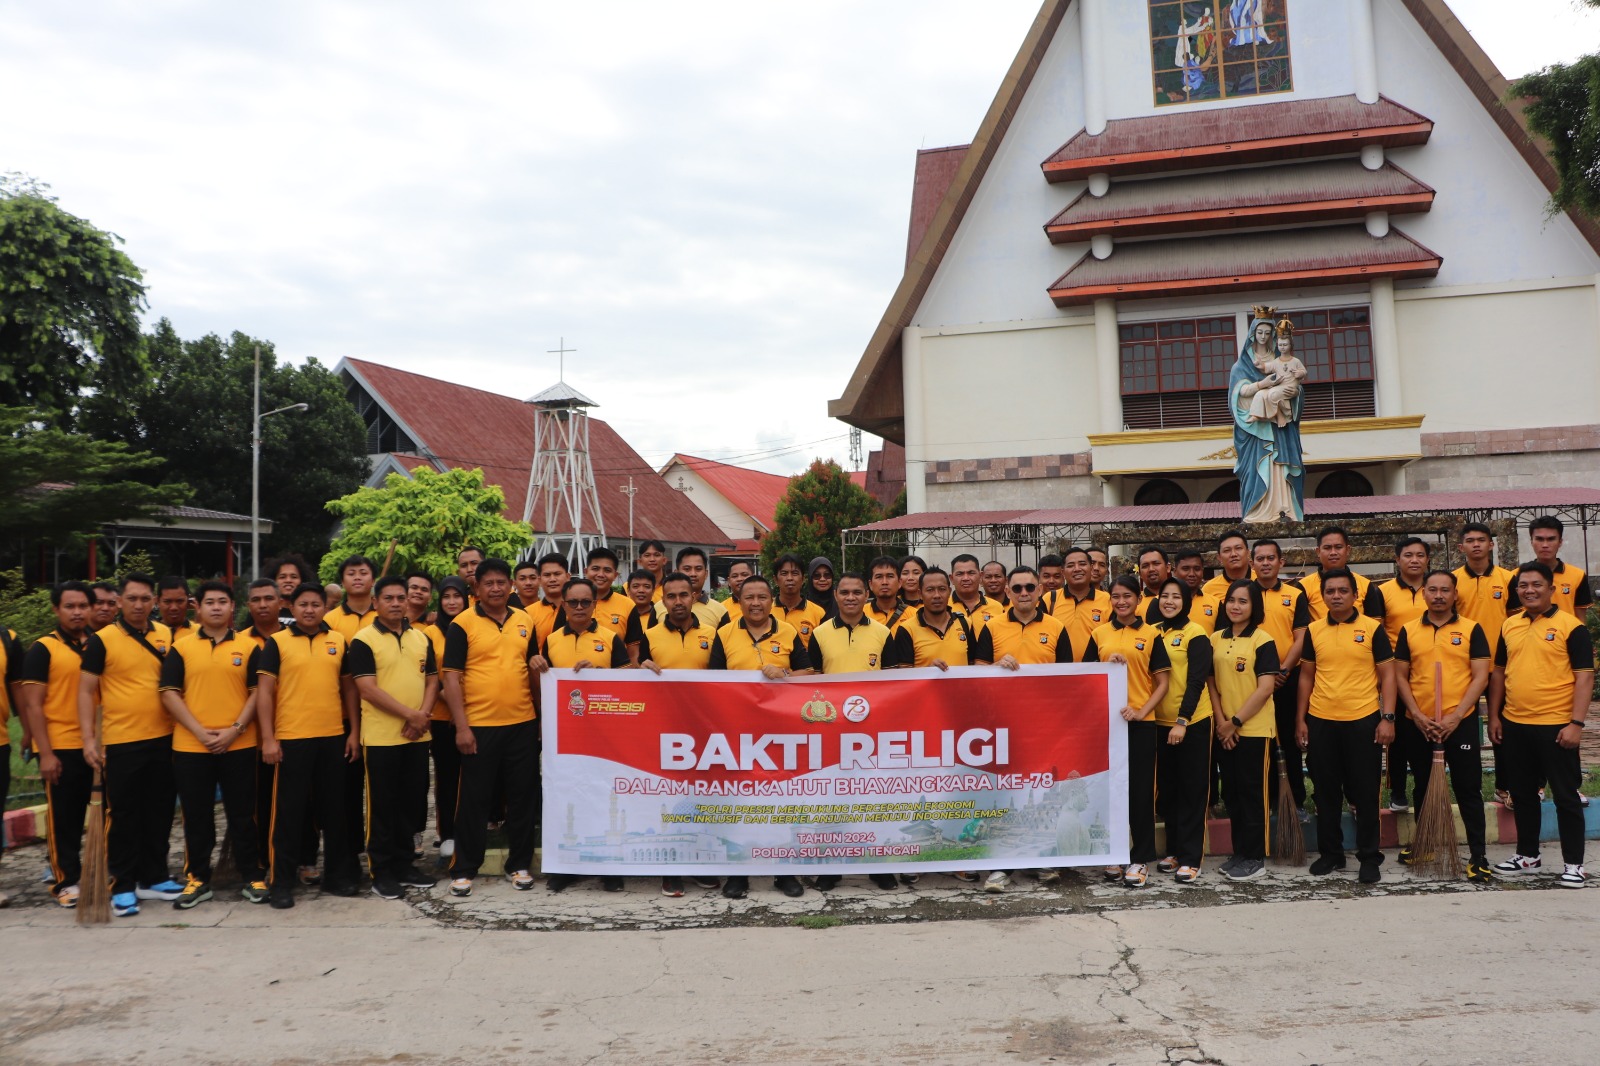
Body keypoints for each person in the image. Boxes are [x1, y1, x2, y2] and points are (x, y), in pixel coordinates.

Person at [158, 581, 269, 907]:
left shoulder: (249, 647)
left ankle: (252, 875)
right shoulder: (182, 647)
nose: (217, 607)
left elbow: (257, 693)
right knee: (196, 816)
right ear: (199, 607)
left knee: (243, 814)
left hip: (239, 744)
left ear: (232, 607)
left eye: (223, 601)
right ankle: (198, 879)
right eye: (210, 602)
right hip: (192, 747)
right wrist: (200, 731)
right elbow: (168, 693)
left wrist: (235, 729)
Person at [77, 573, 181, 918]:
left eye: (145, 599)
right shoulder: (102, 640)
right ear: (119, 602)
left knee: (160, 810)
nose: (139, 605)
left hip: (164, 738)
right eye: (132, 599)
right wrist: (89, 740)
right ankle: (122, 883)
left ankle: (154, 875)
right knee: (123, 815)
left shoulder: (166, 635)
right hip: (121, 742)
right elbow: (85, 691)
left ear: (154, 602)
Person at [1488, 561, 1593, 887]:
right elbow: (1500, 674)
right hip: (1516, 724)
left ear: (1551, 589)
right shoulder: (1509, 625)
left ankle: (1574, 864)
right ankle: (1528, 854)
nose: (1529, 590)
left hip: (1557, 726)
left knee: (1565, 796)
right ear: (1516, 591)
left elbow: (1585, 677)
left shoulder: (1570, 626)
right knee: (1522, 794)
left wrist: (1576, 723)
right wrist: (1495, 715)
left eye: (1536, 585)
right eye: (1523, 586)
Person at [708, 574, 813, 900]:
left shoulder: (789, 632)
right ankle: (738, 874)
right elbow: (712, 683)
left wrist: (783, 674)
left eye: (762, 597)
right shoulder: (724, 634)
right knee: (738, 803)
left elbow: (809, 674)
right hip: (736, 733)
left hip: (780, 735)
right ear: (738, 600)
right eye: (749, 597)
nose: (755, 603)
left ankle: (784, 872)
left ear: (772, 600)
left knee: (781, 802)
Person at [256, 583, 360, 908]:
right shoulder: (277, 643)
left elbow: (349, 691)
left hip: (332, 737)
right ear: (292, 607)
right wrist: (269, 739)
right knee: (289, 815)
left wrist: (354, 732)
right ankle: (281, 882)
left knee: (335, 812)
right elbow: (264, 694)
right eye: (303, 604)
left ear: (323, 607)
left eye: (316, 604)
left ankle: (338, 877)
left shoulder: (338, 641)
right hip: (291, 740)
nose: (310, 610)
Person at [441, 559, 539, 897]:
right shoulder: (462, 624)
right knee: (474, 801)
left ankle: (520, 865)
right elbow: (451, 678)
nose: (496, 588)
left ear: (510, 584)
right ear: (476, 589)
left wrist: (539, 720)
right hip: (479, 726)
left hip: (523, 723)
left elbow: (531, 670)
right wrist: (462, 727)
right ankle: (464, 868)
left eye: (501, 582)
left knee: (522, 797)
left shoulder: (525, 620)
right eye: (489, 583)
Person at [973, 565, 1073, 893]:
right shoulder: (991, 626)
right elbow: (977, 670)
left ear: (1040, 589)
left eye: (1030, 586)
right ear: (1007, 591)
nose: (1024, 593)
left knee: (1043, 791)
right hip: (1006, 725)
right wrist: (996, 667)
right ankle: (1001, 867)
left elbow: (1070, 675)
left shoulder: (1057, 627)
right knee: (1006, 794)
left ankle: (1044, 860)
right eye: (1017, 588)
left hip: (1045, 725)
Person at [1296, 568, 1395, 884]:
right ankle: (1331, 855)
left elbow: (1388, 676)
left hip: (1363, 720)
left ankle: (1369, 856)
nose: (1336, 596)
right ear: (1322, 596)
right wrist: (1301, 719)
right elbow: (1306, 676)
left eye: (1342, 591)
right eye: (1330, 591)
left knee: (1366, 792)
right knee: (1325, 792)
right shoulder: (1313, 630)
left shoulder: (1371, 629)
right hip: (1322, 720)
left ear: (1355, 595)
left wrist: (1387, 717)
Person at [1393, 570, 1493, 882]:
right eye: (1432, 590)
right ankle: (1425, 844)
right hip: (1419, 724)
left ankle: (1478, 856)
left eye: (1444, 590)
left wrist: (1456, 716)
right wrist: (1417, 715)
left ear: (1454, 594)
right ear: (1424, 594)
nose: (1438, 595)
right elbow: (1400, 677)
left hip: (1458, 723)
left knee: (1468, 787)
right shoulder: (1409, 631)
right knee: (1422, 785)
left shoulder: (1471, 629)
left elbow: (1480, 676)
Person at [535, 576, 632, 890]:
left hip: (604, 736)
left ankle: (611, 869)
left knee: (607, 797)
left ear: (594, 604)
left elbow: (627, 681)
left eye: (585, 602)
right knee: (565, 797)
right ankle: (565, 867)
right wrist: (535, 669)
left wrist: (602, 675)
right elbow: (541, 687)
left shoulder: (610, 638)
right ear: (563, 604)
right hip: (563, 736)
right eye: (572, 602)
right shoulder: (550, 641)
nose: (579, 607)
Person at [347, 575, 439, 901]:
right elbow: (367, 689)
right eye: (389, 598)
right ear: (376, 602)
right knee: (382, 808)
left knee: (411, 806)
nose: (397, 603)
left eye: (401, 597)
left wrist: (421, 717)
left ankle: (404, 866)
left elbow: (432, 682)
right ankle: (380, 871)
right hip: (382, 738)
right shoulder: (363, 640)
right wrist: (410, 715)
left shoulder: (420, 638)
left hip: (416, 737)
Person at [809, 572, 902, 893]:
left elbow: (893, 686)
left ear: (867, 596)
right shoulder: (818, 634)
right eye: (845, 592)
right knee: (831, 803)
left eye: (857, 592)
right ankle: (831, 868)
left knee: (873, 801)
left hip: (872, 734)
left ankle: (878, 866)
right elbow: (808, 686)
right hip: (830, 735)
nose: (850, 597)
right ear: (835, 595)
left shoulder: (882, 633)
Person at [639, 571, 724, 896]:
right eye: (671, 596)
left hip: (704, 729)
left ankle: (699, 866)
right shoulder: (651, 635)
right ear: (663, 600)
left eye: (683, 595)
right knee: (668, 798)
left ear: (694, 597)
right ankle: (671, 871)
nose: (678, 601)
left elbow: (723, 679)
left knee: (701, 796)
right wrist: (641, 670)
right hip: (666, 729)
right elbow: (634, 677)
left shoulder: (714, 634)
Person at [1089, 575, 1172, 889]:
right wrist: (1107, 664)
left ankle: (1140, 859)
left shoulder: (1152, 635)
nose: (1121, 602)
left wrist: (1141, 711)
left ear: (1139, 600)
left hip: (1139, 724)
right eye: (1115, 597)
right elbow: (1086, 678)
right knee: (1109, 790)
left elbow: (1162, 683)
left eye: (1127, 596)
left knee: (1139, 793)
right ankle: (1114, 852)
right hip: (1106, 725)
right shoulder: (1098, 633)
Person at [19, 581, 94, 908]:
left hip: (96, 744)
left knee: (100, 814)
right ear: (56, 610)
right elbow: (33, 705)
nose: (77, 612)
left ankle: (96, 873)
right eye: (69, 607)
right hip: (60, 745)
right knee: (65, 818)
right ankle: (65, 881)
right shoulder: (42, 649)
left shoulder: (98, 644)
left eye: (82, 606)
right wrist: (45, 753)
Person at [1211, 580, 1280, 882]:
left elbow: (1265, 689)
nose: (1235, 606)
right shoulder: (1214, 638)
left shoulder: (1263, 640)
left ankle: (1255, 858)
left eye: (1243, 601)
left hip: (1254, 730)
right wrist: (1221, 721)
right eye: (1231, 600)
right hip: (1225, 728)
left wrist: (1235, 722)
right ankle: (1239, 852)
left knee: (1254, 794)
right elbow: (1211, 684)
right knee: (1234, 794)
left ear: (1254, 607)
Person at [1148, 578, 1213, 884]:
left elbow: (1197, 680)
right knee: (1169, 792)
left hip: (1191, 723)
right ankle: (1173, 851)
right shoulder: (1153, 632)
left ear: (1186, 602)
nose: (1169, 601)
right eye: (1165, 596)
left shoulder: (1195, 633)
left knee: (1192, 790)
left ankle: (1191, 857)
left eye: (1176, 597)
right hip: (1158, 723)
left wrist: (1183, 720)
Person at [1454, 522, 1516, 806]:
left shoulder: (1509, 578)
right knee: (1462, 730)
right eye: (1470, 540)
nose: (1476, 544)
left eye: (1482, 540)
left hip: (1500, 667)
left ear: (1492, 544)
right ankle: (1468, 789)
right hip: (1463, 668)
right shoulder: (1452, 581)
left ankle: (1505, 787)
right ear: (1461, 547)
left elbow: (1516, 621)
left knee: (1501, 727)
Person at [323, 555, 376, 878]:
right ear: (343, 581)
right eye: (351, 573)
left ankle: (383, 851)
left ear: (372, 579)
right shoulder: (329, 620)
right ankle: (350, 853)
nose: (357, 578)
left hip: (382, 715)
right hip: (344, 718)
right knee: (347, 791)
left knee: (382, 789)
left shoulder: (383, 614)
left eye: (363, 573)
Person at [1251, 540, 1311, 817]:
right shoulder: (1242, 593)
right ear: (1252, 564)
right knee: (1259, 742)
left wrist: (1283, 669)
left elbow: (1301, 637)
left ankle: (1294, 801)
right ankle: (1264, 801)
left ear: (1280, 562)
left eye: (1270, 558)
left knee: (1288, 739)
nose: (1265, 563)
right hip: (1250, 681)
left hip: (1287, 678)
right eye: (1260, 558)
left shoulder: (1295, 594)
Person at [1231, 306, 1305, 522]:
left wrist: (1296, 392)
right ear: (1253, 334)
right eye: (1259, 332)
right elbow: (1238, 393)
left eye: (1267, 333)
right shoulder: (1242, 365)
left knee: (1281, 467)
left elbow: (1297, 382)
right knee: (1258, 468)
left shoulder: (1282, 359)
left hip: (1280, 427)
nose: (1263, 337)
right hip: (1256, 433)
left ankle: (1286, 510)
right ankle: (1257, 512)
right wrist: (1261, 384)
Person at [1378, 537, 1432, 813]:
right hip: (1395, 673)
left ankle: (1430, 789)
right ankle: (1397, 791)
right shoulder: (1383, 591)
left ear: (1427, 560)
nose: (1414, 560)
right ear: (1397, 559)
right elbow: (1377, 632)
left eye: (1420, 555)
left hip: (1428, 673)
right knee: (1395, 732)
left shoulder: (1436, 589)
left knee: (1425, 732)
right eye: (1408, 555)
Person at [424, 576, 470, 861]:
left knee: (474, 778)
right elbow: (430, 678)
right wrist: (455, 710)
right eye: (446, 597)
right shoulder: (430, 633)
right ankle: (447, 834)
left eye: (457, 596)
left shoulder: (474, 626)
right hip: (443, 718)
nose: (452, 601)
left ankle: (472, 830)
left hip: (475, 714)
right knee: (448, 777)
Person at [892, 567, 987, 670]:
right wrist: (929, 671)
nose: (937, 595)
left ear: (949, 591)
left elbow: (974, 668)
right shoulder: (907, 630)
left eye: (942, 589)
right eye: (930, 590)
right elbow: (904, 677)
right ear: (920, 594)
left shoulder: (965, 623)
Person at [1509, 516, 1593, 619]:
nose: (1545, 545)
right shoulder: (1515, 576)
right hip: (1529, 634)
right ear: (1531, 542)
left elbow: (1580, 619)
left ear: (1560, 542)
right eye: (1539, 539)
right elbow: (1511, 616)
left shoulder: (1577, 575)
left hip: (1565, 634)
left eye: (1551, 539)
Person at [1295, 527, 1384, 620]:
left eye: (1338, 547)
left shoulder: (1365, 585)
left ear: (1348, 550)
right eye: (1327, 548)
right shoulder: (1304, 586)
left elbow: (1375, 626)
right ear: (1318, 551)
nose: (1333, 552)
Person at [1050, 547, 1112, 661]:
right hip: (1059, 673)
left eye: (1082, 564)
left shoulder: (1108, 600)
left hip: (1096, 672)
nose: (1077, 569)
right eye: (1070, 565)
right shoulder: (1050, 600)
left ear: (1091, 568)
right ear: (1063, 572)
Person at [660, 546, 724, 629]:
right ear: (676, 572)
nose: (693, 574)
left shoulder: (720, 611)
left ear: (706, 574)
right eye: (687, 569)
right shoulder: (659, 607)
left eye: (698, 569)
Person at [772, 553, 826, 647]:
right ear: (775, 579)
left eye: (795, 573)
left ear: (803, 579)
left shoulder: (818, 613)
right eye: (784, 573)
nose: (789, 578)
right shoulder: (766, 611)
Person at [583, 547, 634, 633]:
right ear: (586, 571)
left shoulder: (628, 605)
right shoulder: (570, 603)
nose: (601, 574)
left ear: (615, 575)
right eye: (595, 569)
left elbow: (633, 644)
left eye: (607, 570)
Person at [527, 554, 570, 647]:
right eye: (547, 575)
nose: (552, 579)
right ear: (539, 580)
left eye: (557, 574)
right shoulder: (528, 613)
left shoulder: (580, 609)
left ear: (568, 577)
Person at [1172, 549, 1220, 632]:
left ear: (1202, 571)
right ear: (1175, 571)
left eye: (1197, 569)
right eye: (1185, 569)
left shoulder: (1216, 604)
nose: (1191, 574)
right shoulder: (1161, 603)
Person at [949, 554, 1003, 626]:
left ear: (980, 576)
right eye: (960, 574)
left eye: (971, 573)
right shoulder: (944, 607)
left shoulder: (997, 607)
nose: (966, 578)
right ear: (951, 579)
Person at [1202, 531, 1253, 600]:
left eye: (1238, 548)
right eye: (1227, 550)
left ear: (1248, 553)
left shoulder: (1261, 581)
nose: (1233, 554)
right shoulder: (1209, 589)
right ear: (1219, 557)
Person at [622, 568, 659, 664]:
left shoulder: (660, 615)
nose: (641, 590)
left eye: (647, 586)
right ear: (628, 590)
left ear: (653, 590)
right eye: (636, 586)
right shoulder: (621, 616)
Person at [270, 555, 316, 625]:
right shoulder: (265, 611)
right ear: (274, 581)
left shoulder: (310, 612)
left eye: (294, 577)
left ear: (302, 580)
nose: (288, 580)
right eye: (282, 577)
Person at [865, 556, 907, 629]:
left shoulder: (914, 615)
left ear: (900, 582)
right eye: (879, 577)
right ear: (870, 584)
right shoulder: (861, 614)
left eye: (890, 576)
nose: (884, 582)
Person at [157, 576, 194, 641]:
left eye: (179, 601)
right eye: (167, 602)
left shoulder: (199, 632)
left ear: (188, 600)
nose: (174, 608)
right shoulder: (147, 633)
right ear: (158, 601)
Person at [719, 561, 752, 625]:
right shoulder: (721, 609)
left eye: (744, 575)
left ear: (753, 577)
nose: (739, 579)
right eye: (735, 576)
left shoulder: (768, 604)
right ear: (729, 581)